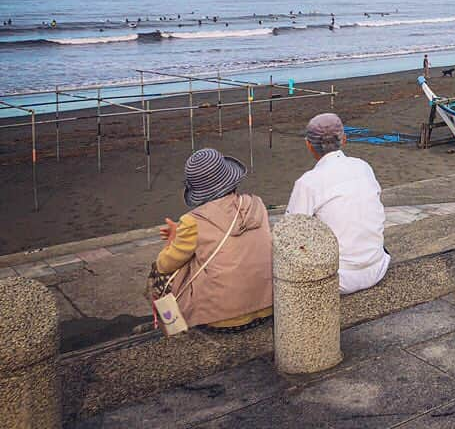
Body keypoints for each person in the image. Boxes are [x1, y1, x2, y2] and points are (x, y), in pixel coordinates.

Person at [149, 148, 273, 330]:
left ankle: (172, 328)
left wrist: (173, 239)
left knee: (157, 274)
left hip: (224, 318)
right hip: (267, 306)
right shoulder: (256, 204)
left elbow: (165, 265)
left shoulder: (193, 221)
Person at [287, 114, 389, 294]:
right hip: (378, 266)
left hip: (338, 278)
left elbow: (291, 234)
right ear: (344, 139)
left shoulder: (308, 182)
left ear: (309, 145)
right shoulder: (363, 166)